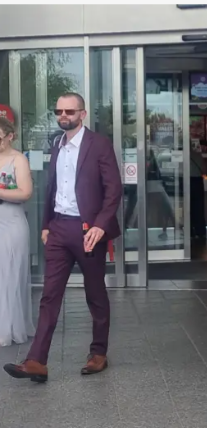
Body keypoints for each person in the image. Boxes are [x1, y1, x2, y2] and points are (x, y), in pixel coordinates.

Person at [4, 92, 122, 383]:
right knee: (50, 296)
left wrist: (100, 226)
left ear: (82, 114)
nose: (63, 116)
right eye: (58, 111)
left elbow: (114, 190)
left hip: (88, 231)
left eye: (69, 111)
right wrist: (46, 224)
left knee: (95, 293)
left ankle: (98, 353)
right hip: (58, 230)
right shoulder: (57, 144)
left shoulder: (99, 145)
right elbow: (52, 188)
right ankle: (36, 361)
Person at [0, 117, 36, 347]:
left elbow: (25, 193)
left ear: (10, 136)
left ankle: (8, 328)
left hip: (11, 222)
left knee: (10, 275)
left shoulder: (18, 160)